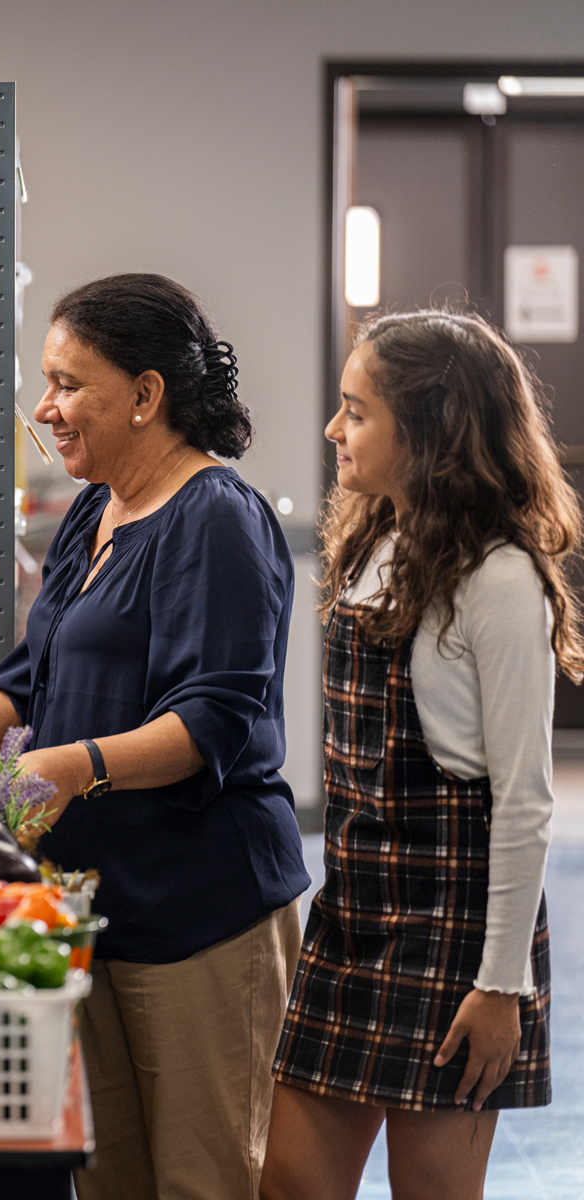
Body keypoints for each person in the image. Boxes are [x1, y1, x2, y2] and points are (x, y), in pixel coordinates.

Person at [0, 274, 309, 1199]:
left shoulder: (216, 519)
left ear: (148, 394)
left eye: (71, 383)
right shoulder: (95, 509)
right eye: (49, 382)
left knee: (207, 1181)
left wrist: (74, 768)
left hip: (202, 911)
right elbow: (31, 674)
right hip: (96, 907)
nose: (48, 408)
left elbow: (211, 721)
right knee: (111, 1176)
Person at [263, 311, 568, 1199]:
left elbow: (522, 803)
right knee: (286, 1184)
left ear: (428, 430)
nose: (333, 430)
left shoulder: (498, 577)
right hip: (354, 915)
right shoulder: (372, 541)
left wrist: (501, 988)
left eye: (356, 412)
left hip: (456, 939)